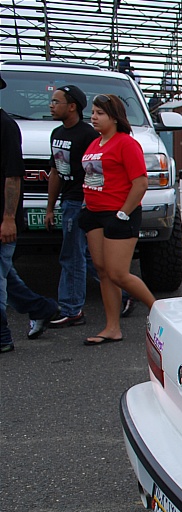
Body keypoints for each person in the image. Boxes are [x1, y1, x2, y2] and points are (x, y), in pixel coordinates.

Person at [78, 94, 157, 345]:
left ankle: (160, 311)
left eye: (100, 113)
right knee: (103, 271)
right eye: (93, 112)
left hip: (120, 214)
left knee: (118, 273)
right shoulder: (95, 143)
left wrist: (123, 213)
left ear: (114, 117)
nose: (93, 117)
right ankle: (112, 327)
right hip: (94, 214)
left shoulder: (126, 143)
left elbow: (140, 183)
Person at [1, 75, 60, 352]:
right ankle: (41, 308)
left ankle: (2, 337)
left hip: (2, 219)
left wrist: (8, 218)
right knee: (6, 275)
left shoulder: (6, 126)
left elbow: (13, 176)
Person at [41, 84, 99, 331]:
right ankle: (124, 292)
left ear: (72, 106)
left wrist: (88, 204)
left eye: (56, 102)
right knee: (87, 256)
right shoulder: (56, 134)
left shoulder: (88, 135)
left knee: (71, 256)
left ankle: (72, 309)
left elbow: (96, 172)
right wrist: (50, 207)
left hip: (80, 201)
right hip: (66, 201)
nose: (51, 106)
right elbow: (55, 171)